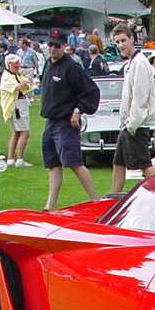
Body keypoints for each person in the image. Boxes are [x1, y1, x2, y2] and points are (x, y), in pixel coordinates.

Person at [40, 28, 100, 211]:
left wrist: (78, 110)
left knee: (75, 163)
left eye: (57, 46)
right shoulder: (48, 64)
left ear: (65, 46)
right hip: (50, 121)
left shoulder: (71, 67)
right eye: (50, 45)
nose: (52, 49)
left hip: (65, 123)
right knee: (53, 164)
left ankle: (95, 201)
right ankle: (50, 205)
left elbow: (91, 92)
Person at [110, 23, 155, 193]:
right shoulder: (131, 62)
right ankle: (113, 198)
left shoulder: (139, 62)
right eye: (117, 42)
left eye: (123, 40)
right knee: (118, 163)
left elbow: (140, 96)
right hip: (128, 124)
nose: (121, 45)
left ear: (132, 39)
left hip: (137, 124)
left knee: (144, 164)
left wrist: (132, 124)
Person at [0, 53, 32, 167]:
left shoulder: (15, 75)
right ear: (9, 65)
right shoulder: (7, 77)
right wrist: (25, 82)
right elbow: (19, 87)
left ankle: (11, 159)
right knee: (24, 132)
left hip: (19, 103)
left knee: (16, 132)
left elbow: (26, 85)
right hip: (16, 106)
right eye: (15, 66)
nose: (18, 68)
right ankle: (19, 159)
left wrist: (25, 83)